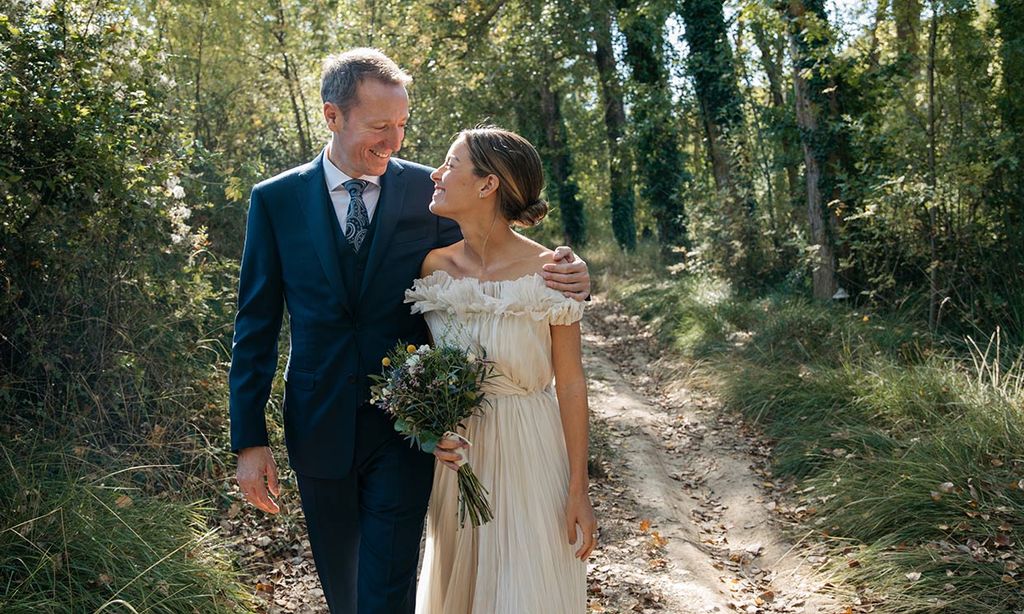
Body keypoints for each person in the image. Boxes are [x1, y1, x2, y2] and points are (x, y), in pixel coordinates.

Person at [228, 50, 591, 614]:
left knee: (387, 592)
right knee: (345, 595)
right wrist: (250, 441)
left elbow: (502, 242)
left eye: (401, 125)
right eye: (379, 127)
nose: (393, 141)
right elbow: (255, 326)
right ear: (332, 116)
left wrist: (573, 271)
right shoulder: (275, 201)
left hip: (408, 432)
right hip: (317, 423)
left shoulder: (430, 192)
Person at [407, 127, 597, 614]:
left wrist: (579, 488)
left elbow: (571, 382)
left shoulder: (550, 271)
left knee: (527, 593)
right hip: (459, 461)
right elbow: (427, 370)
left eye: (450, 164)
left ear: (488, 185)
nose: (436, 173)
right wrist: (434, 431)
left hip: (531, 451)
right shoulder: (434, 268)